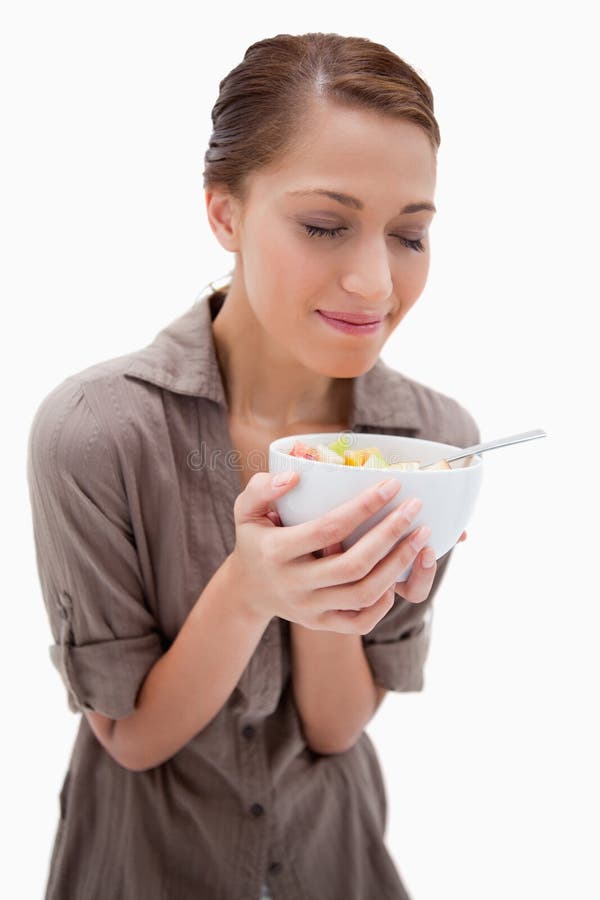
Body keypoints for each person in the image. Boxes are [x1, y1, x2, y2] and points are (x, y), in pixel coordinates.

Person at [26, 31, 479, 900]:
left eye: (408, 235)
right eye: (323, 225)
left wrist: (331, 588)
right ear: (225, 214)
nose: (375, 283)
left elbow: (337, 726)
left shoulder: (431, 441)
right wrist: (248, 591)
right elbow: (132, 737)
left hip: (335, 866)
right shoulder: (94, 432)